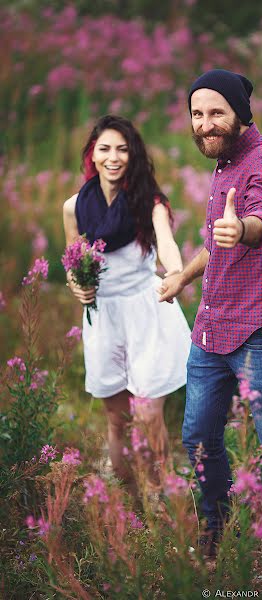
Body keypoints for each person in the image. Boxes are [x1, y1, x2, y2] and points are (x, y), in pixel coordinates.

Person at [159, 69, 262, 555]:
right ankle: (215, 529)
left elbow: (259, 218)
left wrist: (244, 228)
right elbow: (216, 240)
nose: (205, 124)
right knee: (198, 437)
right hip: (213, 329)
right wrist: (184, 278)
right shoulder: (223, 163)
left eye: (216, 113)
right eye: (197, 114)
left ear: (240, 114)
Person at [63, 114, 191, 499]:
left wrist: (177, 271)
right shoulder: (74, 207)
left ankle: (165, 493)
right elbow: (74, 259)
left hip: (146, 311)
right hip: (104, 317)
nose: (113, 157)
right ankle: (132, 502)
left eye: (122, 149)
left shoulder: (148, 202)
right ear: (93, 155)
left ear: (132, 156)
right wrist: (77, 286)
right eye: (105, 149)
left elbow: (166, 242)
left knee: (149, 414)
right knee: (117, 419)